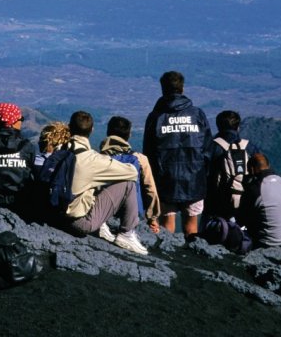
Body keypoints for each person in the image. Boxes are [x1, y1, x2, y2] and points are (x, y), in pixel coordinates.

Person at [64, 111, 147, 255]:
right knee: (127, 183)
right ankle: (126, 234)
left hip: (57, 214)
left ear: (69, 127)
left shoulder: (60, 151)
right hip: (80, 223)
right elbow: (132, 172)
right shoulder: (93, 159)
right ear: (92, 130)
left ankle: (102, 223)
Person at [143, 70, 213, 235]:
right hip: (194, 179)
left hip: (165, 180)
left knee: (167, 225)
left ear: (163, 89)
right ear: (182, 88)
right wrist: (202, 174)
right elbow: (208, 149)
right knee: (191, 226)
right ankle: (191, 255)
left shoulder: (156, 117)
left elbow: (148, 152)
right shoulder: (197, 115)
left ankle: (168, 256)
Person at [99, 116, 161, 233]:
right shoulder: (140, 159)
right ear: (129, 136)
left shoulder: (98, 158)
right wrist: (152, 218)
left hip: (104, 213)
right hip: (133, 215)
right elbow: (150, 189)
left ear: (108, 133)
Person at [204, 110, 259, 222]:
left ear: (218, 126)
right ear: (238, 127)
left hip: (217, 202)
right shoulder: (249, 147)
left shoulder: (212, 146)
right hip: (245, 201)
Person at [236, 153, 281, 248]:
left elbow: (241, 220)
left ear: (252, 170)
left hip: (267, 245)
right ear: (268, 166)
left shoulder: (255, 189)